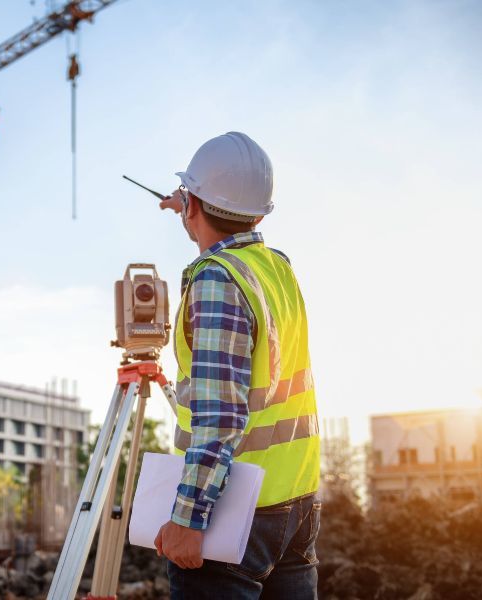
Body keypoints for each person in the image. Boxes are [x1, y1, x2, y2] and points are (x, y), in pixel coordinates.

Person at [153, 132, 321, 599]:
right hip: (297, 503)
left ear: (193, 204)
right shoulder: (276, 268)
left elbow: (221, 414)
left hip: (236, 516)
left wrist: (188, 518)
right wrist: (192, 206)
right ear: (261, 211)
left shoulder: (215, 280)